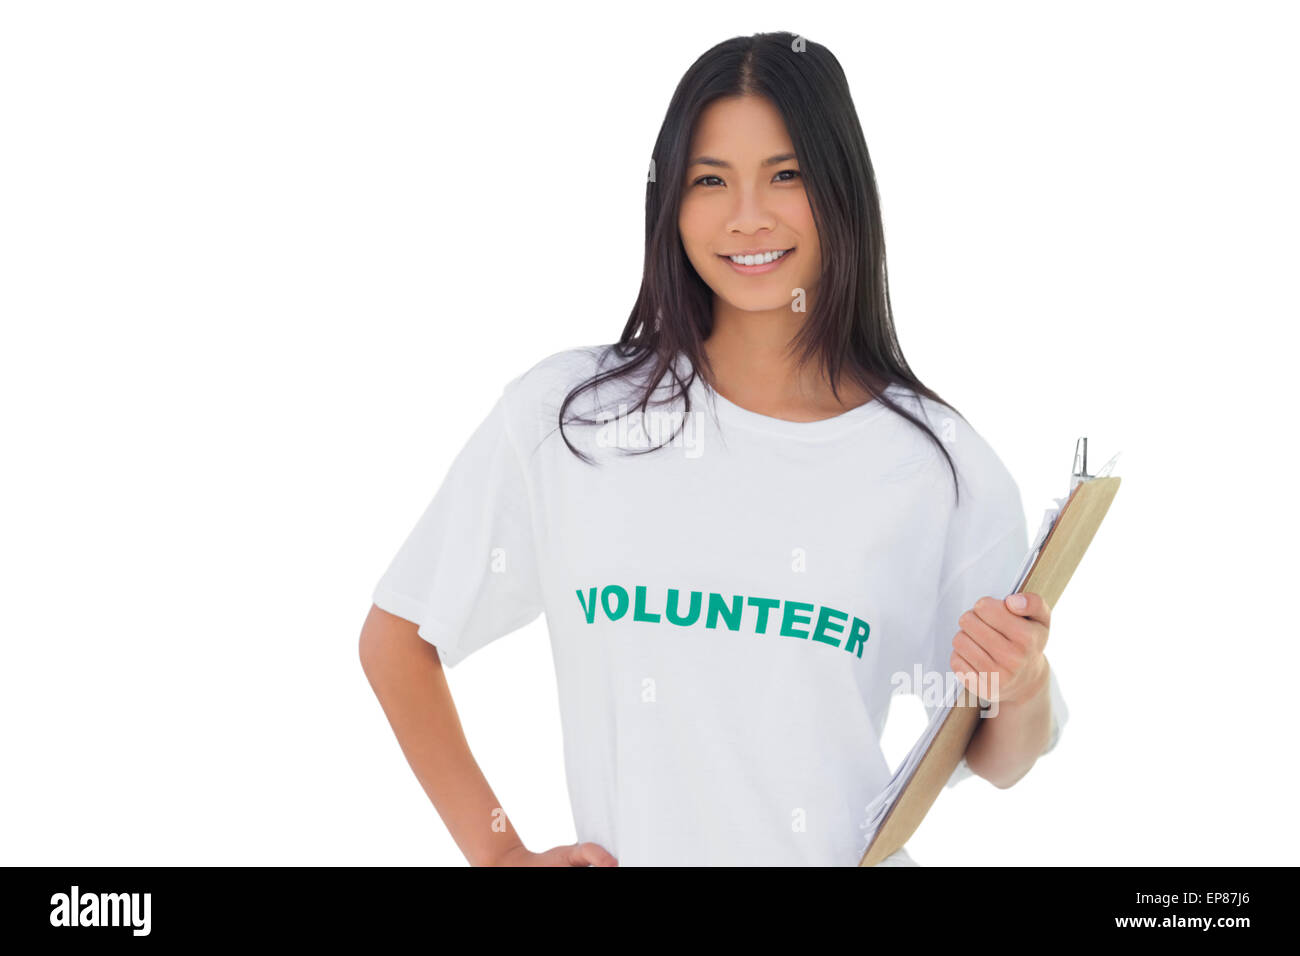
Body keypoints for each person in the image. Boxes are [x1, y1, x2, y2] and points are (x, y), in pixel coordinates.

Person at [358, 31, 1068, 867]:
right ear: (670, 200)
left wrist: (1020, 687)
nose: (748, 216)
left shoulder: (940, 467)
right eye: (710, 180)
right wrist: (502, 855)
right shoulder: (570, 420)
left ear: (842, 188)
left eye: (786, 174)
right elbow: (398, 638)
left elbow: (990, 754)